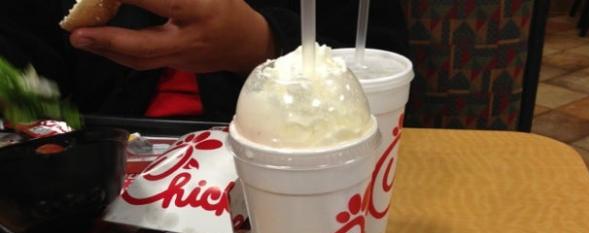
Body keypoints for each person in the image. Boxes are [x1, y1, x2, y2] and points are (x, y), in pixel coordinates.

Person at [0, 0, 409, 121]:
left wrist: (260, 46)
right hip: (90, 184)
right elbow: (25, 58)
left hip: (298, 175)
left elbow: (381, 76)